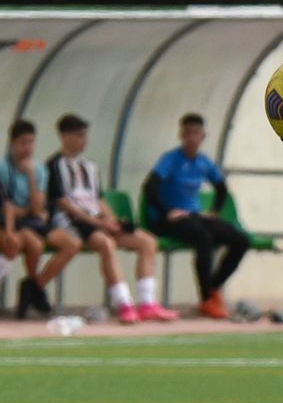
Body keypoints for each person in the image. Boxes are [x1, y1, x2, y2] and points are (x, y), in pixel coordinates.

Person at [44, 114, 178, 324]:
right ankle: (124, 304)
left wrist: (113, 221)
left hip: (98, 221)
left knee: (148, 242)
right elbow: (63, 203)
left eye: (85, 135)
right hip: (73, 224)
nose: (84, 140)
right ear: (64, 136)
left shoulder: (90, 166)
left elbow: (99, 199)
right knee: (106, 244)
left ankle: (148, 304)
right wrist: (99, 223)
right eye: (79, 135)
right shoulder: (53, 165)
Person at [143, 113, 252, 319]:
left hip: (194, 217)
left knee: (240, 239)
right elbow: (150, 187)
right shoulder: (171, 159)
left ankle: (213, 287)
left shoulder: (204, 162)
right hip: (167, 220)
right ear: (181, 135)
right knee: (204, 237)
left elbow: (221, 188)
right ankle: (206, 300)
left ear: (203, 135)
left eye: (196, 133)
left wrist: (214, 212)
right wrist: (168, 211)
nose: (191, 137)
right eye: (187, 133)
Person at [2, 119, 79, 318]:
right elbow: (8, 207)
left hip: (32, 221)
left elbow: (37, 208)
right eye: (23, 142)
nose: (28, 148)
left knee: (71, 243)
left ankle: (34, 287)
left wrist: (31, 177)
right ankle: (33, 289)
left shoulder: (38, 169)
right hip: (12, 222)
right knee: (31, 245)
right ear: (12, 143)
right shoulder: (4, 169)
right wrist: (26, 212)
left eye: (31, 142)